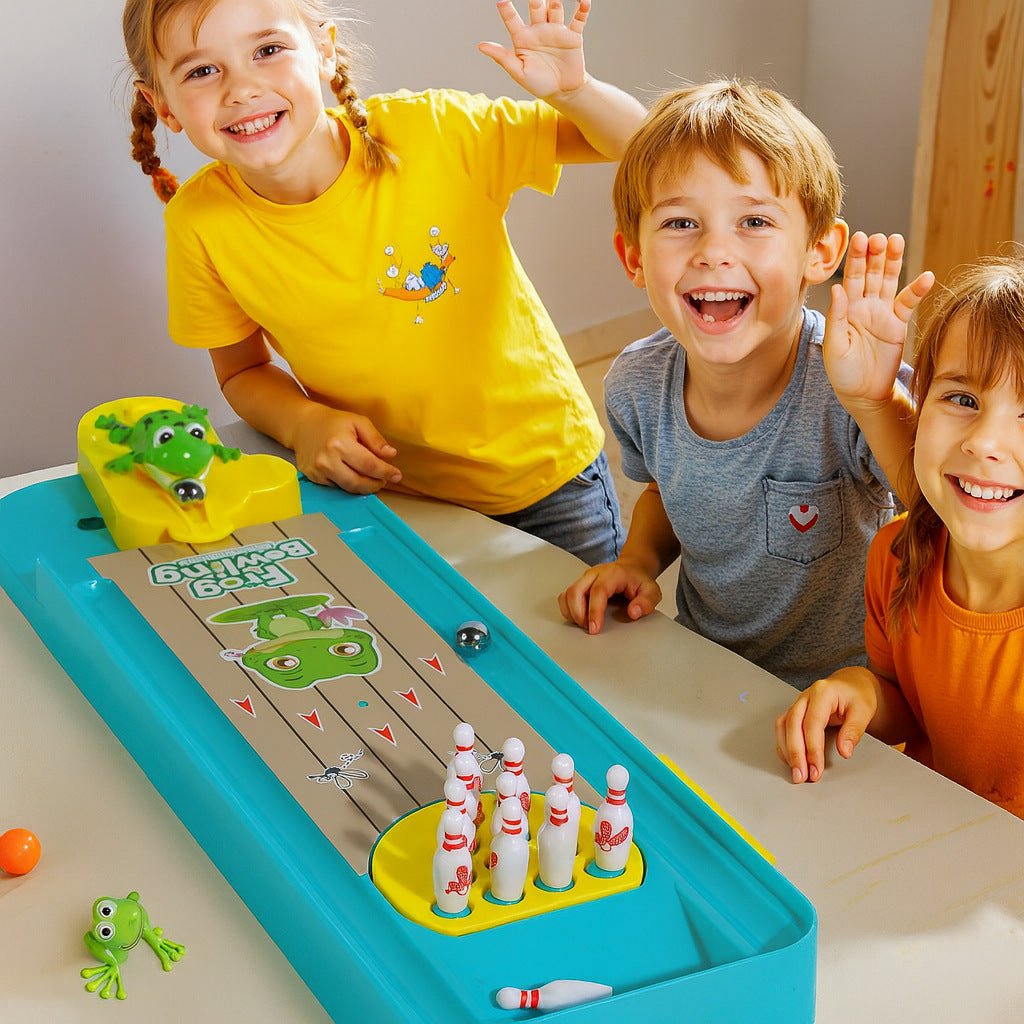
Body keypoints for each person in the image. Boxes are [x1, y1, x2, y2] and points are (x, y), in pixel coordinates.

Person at [121, 0, 648, 565]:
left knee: (587, 644)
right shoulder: (198, 222)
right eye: (202, 71)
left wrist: (576, 92)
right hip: (390, 497)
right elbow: (242, 369)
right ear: (164, 105)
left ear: (323, 50)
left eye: (267, 51)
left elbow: (639, 143)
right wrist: (302, 423)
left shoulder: (436, 131)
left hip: (544, 479)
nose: (242, 90)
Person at [557, 80, 934, 688]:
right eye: (681, 222)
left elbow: (942, 513)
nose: (714, 252)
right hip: (707, 670)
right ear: (633, 259)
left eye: (754, 220)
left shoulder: (854, 384)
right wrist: (636, 561)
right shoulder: (635, 385)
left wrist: (872, 401)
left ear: (819, 250)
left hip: (856, 692)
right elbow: (667, 493)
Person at [775, 254, 1024, 817]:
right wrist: (862, 692)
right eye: (963, 399)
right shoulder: (896, 557)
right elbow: (909, 704)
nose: (985, 442)